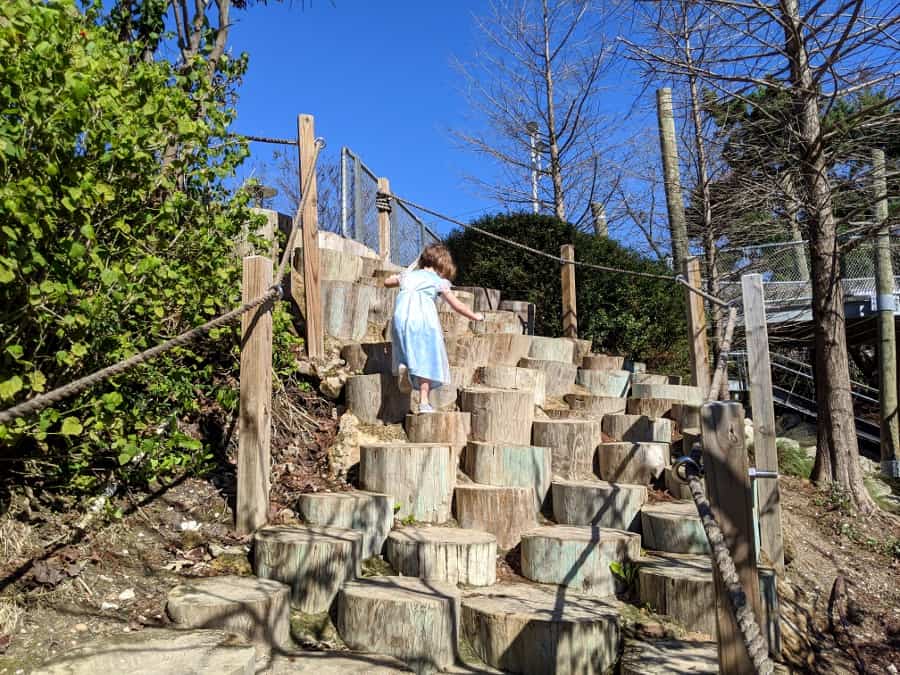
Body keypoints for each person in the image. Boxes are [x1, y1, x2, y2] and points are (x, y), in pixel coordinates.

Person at [384, 244, 483, 413]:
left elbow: (386, 282)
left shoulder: (408, 276)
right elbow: (456, 304)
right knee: (427, 360)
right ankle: (423, 402)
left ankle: (404, 366)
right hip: (424, 321)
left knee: (406, 349)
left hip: (401, 319)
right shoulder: (438, 281)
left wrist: (402, 274)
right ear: (442, 264)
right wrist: (475, 316)